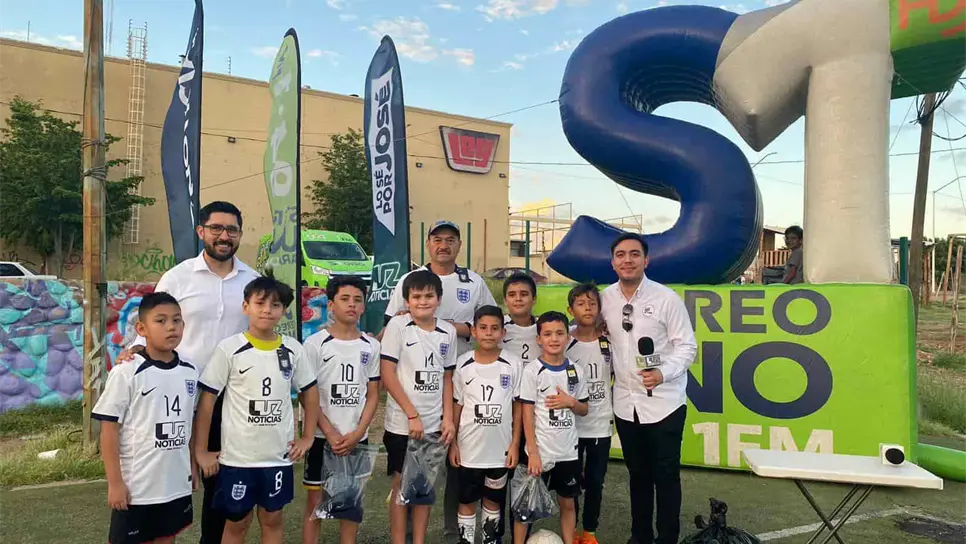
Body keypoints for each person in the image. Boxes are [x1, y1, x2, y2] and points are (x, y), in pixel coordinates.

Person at [124, 201, 259, 544]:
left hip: (231, 400)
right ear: (201, 232)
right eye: (216, 228)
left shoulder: (252, 281)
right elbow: (153, 320)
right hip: (179, 394)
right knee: (170, 478)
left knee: (220, 486)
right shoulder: (178, 276)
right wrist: (135, 347)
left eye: (232, 229)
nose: (224, 236)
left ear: (239, 235)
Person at [384, 220, 496, 544]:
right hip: (409, 412)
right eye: (437, 239)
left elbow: (488, 321)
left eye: (450, 239)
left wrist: (456, 326)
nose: (443, 245)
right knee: (404, 483)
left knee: (449, 471)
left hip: (456, 394)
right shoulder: (408, 284)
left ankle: (452, 535)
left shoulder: (473, 282)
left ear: (459, 245)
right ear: (428, 243)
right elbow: (392, 327)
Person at [194, 276, 319, 544]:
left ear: (283, 311)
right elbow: (207, 402)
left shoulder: (293, 349)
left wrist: (307, 436)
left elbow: (310, 392)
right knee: (237, 523)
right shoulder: (230, 349)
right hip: (238, 459)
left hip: (277, 457)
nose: (266, 310)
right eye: (260, 303)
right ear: (245, 306)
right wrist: (201, 450)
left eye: (275, 305)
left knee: (273, 520)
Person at [600, 233, 697, 544]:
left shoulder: (666, 299)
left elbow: (687, 347)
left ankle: (667, 538)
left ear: (646, 260)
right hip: (625, 404)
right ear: (612, 262)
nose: (627, 260)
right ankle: (640, 536)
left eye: (634, 254)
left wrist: (662, 372)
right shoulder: (605, 299)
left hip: (665, 403)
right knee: (638, 476)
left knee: (665, 477)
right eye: (620, 255)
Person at [93, 292, 198, 544]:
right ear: (142, 328)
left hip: (174, 484)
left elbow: (189, 424)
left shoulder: (190, 371)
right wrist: (115, 483)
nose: (171, 327)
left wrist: (192, 466)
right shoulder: (127, 371)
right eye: (160, 321)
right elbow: (109, 429)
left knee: (166, 538)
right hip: (137, 488)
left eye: (177, 320)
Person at [301, 276, 381, 544]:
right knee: (316, 501)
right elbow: (307, 395)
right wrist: (329, 431)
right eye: (345, 299)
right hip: (323, 439)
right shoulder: (315, 344)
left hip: (355, 437)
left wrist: (358, 433)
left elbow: (372, 395)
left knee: (351, 502)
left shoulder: (371, 346)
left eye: (358, 300)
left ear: (363, 306)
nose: (351, 305)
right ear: (331, 305)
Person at [380, 270, 458, 544]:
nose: (423, 301)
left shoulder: (447, 331)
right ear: (407, 301)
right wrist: (412, 414)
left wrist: (448, 418)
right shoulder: (398, 327)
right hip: (403, 424)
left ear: (438, 299)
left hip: (435, 425)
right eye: (416, 297)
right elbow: (387, 374)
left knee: (424, 487)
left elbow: (448, 377)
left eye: (429, 296)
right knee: (401, 485)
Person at [449, 305, 522, 544]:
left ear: (503, 332)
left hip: (499, 452)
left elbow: (518, 406)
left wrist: (514, 444)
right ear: (473, 331)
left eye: (494, 328)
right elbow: (458, 405)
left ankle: (490, 540)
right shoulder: (463, 363)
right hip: (469, 450)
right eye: (483, 328)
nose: (489, 333)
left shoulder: (512, 364)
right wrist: (454, 445)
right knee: (467, 501)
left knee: (493, 500)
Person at [515, 311, 589, 544]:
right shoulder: (532, 371)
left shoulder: (576, 371)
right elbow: (527, 414)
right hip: (539, 454)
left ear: (568, 337)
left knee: (568, 503)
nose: (554, 339)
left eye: (559, 333)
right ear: (539, 339)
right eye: (547, 334)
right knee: (525, 508)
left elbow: (584, 409)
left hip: (567, 452)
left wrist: (571, 402)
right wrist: (533, 453)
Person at [565, 284, 613, 544]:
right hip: (570, 427)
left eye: (592, 303)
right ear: (570, 309)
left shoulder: (609, 341)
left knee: (595, 481)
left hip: (600, 425)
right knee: (571, 484)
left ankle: (589, 532)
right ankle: (571, 531)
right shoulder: (566, 341)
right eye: (581, 303)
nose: (587, 308)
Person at [502, 272, 541, 365]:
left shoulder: (544, 328)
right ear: (505, 300)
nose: (518, 299)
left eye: (524, 294)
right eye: (512, 295)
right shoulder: (496, 327)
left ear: (534, 299)